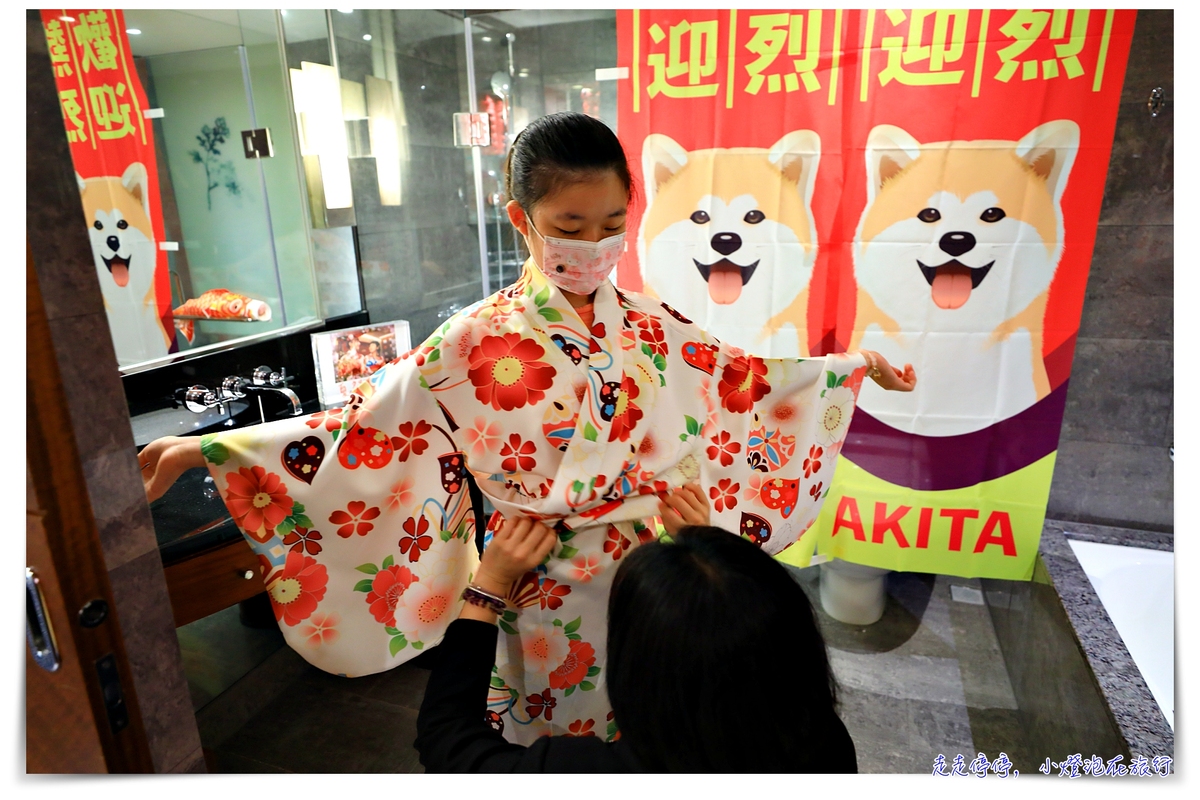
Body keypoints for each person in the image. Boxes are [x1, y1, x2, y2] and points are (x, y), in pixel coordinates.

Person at [138, 111, 915, 746]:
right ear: (522, 219)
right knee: (556, 742)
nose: (597, 244)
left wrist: (849, 370)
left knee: (666, 732)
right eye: (571, 224)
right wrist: (211, 445)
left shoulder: (649, 321)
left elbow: (744, 380)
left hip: (659, 583)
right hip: (537, 581)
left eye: (614, 222)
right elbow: (366, 426)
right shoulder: (472, 340)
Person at [415, 514, 856, 772]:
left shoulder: (595, 774)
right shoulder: (823, 745)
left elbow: (446, 738)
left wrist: (488, 585)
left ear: (637, 671)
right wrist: (703, 554)